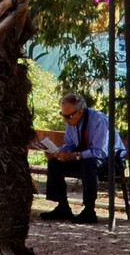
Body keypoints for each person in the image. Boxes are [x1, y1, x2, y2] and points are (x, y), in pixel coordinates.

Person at [40, 92, 123, 224]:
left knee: (89, 164)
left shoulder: (98, 120)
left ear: (80, 112)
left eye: (69, 116)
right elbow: (71, 144)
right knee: (55, 162)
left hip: (111, 160)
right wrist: (57, 152)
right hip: (85, 158)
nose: (66, 120)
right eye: (63, 116)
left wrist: (74, 156)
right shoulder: (72, 122)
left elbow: (100, 152)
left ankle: (89, 210)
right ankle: (62, 207)